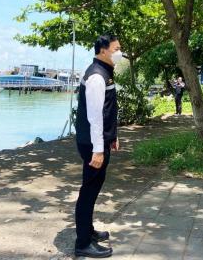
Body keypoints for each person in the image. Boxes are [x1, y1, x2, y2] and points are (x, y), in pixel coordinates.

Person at [74, 34, 122, 258]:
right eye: (116, 49)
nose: (119, 53)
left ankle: (88, 230)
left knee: (93, 188)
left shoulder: (105, 72)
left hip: (100, 141)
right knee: (88, 190)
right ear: (103, 51)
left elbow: (108, 111)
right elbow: (95, 117)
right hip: (92, 144)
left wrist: (113, 136)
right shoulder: (96, 76)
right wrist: (98, 150)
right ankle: (82, 243)